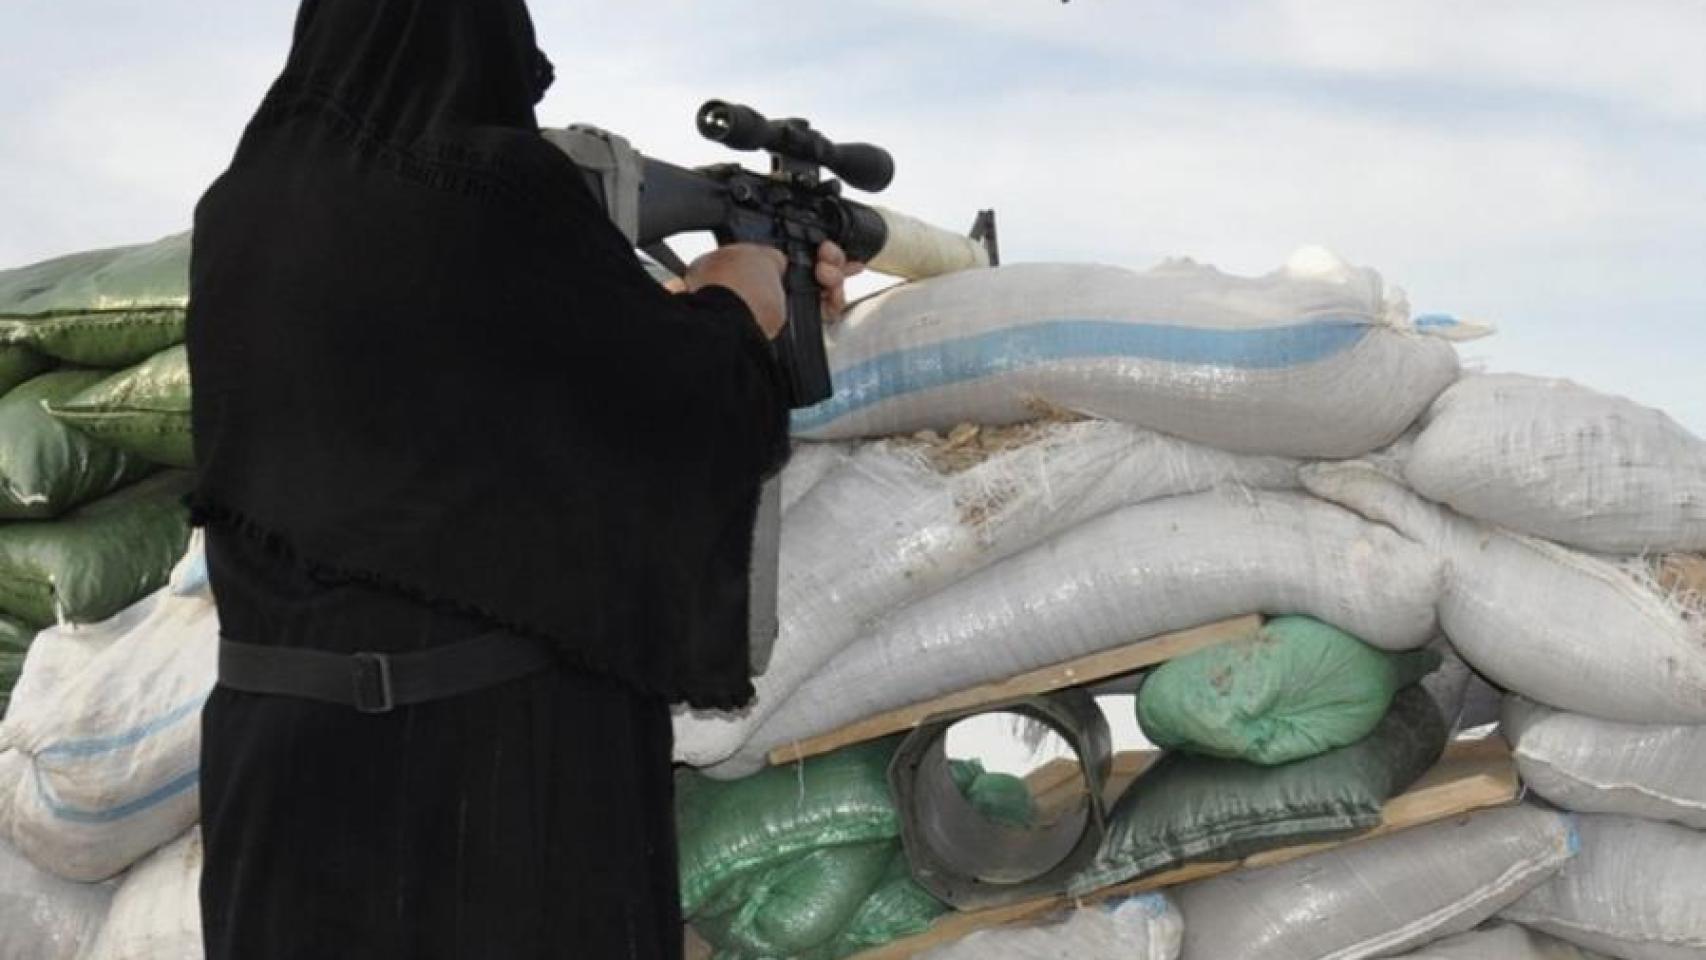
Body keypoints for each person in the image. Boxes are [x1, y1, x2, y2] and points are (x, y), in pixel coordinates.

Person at [184, 0, 858, 957]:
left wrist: (680, 307)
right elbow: (670, 409)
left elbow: (465, 400)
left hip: (276, 778)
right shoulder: (491, 192)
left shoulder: (237, 212)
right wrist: (740, 305)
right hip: (484, 782)